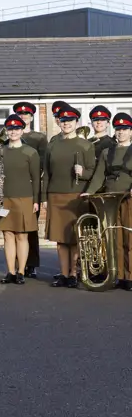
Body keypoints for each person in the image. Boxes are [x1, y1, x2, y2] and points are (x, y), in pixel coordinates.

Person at [42, 105, 95, 288]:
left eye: (70, 121)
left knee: (74, 238)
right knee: (60, 239)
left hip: (76, 196)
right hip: (55, 194)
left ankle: (74, 274)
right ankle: (63, 274)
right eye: (63, 121)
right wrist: (44, 197)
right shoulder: (53, 145)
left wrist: (84, 173)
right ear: (59, 122)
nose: (66, 124)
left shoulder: (85, 145)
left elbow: (93, 172)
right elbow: (46, 173)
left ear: (76, 122)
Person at [84, 112, 132, 289]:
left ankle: (130, 276)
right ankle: (117, 274)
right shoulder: (107, 151)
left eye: (125, 129)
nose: (121, 133)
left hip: (128, 198)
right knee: (113, 238)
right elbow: (99, 176)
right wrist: (88, 192)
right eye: (118, 129)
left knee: (129, 238)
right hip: (110, 198)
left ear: (131, 131)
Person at [0, 114, 41, 285]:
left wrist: (36, 200)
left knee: (22, 236)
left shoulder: (31, 152)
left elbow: (36, 178)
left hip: (24, 197)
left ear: (22, 131)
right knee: (7, 235)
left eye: (16, 129)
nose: (13, 132)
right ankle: (10, 272)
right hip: (5, 197)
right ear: (6, 131)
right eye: (10, 129)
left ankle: (21, 271)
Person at [13, 101, 48, 279]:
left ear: (31, 117)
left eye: (26, 115)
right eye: (20, 115)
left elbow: (42, 162)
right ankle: (17, 264)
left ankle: (31, 264)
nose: (23, 117)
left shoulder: (39, 138)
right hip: (13, 188)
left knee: (30, 228)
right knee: (14, 229)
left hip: (30, 186)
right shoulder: (10, 136)